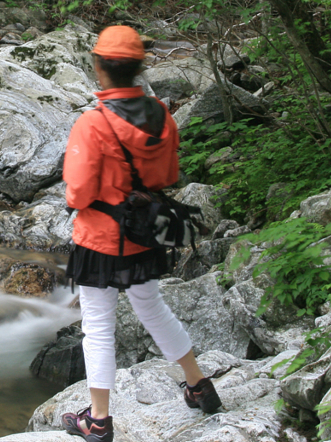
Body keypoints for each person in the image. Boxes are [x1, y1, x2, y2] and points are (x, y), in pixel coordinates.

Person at [60, 26, 221, 442]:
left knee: (97, 324)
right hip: (147, 234)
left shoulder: (92, 124)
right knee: (152, 307)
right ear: (137, 67)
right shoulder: (162, 115)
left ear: (99, 68)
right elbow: (168, 175)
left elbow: (77, 193)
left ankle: (97, 420)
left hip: (100, 237)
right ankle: (198, 385)